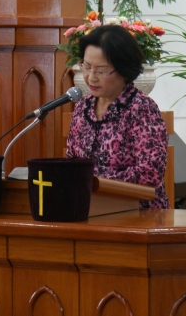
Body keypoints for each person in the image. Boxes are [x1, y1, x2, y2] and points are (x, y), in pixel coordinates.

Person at [66, 25, 170, 209]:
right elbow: (72, 161)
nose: (91, 77)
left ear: (124, 69)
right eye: (87, 67)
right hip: (90, 209)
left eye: (101, 71)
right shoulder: (83, 107)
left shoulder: (141, 109)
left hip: (138, 213)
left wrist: (94, 181)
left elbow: (150, 173)